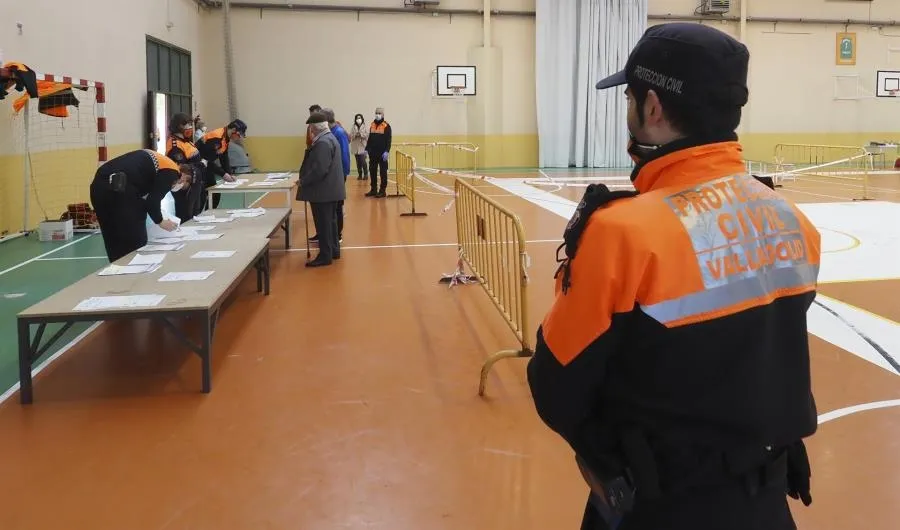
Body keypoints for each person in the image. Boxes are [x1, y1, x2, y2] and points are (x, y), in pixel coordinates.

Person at [526, 23, 821, 530]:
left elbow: (557, 384)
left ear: (654, 108)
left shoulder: (622, 233)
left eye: (630, 98)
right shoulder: (791, 219)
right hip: (767, 503)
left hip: (660, 506)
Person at [89, 149, 192, 262]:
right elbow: (152, 201)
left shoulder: (158, 163)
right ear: (183, 176)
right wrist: (161, 222)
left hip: (99, 186)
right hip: (120, 186)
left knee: (112, 237)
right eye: (184, 183)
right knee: (136, 240)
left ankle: (117, 268)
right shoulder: (172, 172)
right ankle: (135, 267)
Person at [298, 111, 346, 267]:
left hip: (323, 191)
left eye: (310, 127)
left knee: (324, 224)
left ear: (315, 127)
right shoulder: (330, 138)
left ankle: (325, 255)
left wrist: (303, 181)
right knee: (330, 222)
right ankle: (333, 250)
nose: (310, 130)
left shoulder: (323, 143)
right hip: (331, 190)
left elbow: (319, 169)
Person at [308, 108, 350, 244]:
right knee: (329, 209)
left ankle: (337, 234)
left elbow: (343, 155)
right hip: (333, 175)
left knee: (336, 207)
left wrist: (342, 173)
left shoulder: (339, 132)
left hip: (338, 174)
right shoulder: (331, 132)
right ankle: (323, 234)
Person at [196, 119, 246, 211]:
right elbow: (206, 160)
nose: (239, 138)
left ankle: (208, 214)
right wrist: (223, 174)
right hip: (198, 167)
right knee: (201, 197)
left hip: (207, 166)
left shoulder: (225, 138)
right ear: (234, 130)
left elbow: (224, 157)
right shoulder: (216, 137)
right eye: (239, 135)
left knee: (214, 193)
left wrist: (229, 174)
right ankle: (197, 217)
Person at [165, 112, 204, 223]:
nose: (190, 127)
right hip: (185, 184)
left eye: (190, 124)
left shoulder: (187, 142)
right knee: (186, 216)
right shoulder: (175, 144)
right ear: (178, 126)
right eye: (186, 125)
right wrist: (199, 165)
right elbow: (181, 167)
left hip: (196, 182)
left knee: (195, 215)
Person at [365, 106, 392, 198]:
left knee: (383, 172)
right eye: (376, 113)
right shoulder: (372, 124)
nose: (378, 115)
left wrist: (387, 151)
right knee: (372, 171)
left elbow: (389, 140)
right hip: (373, 153)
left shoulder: (386, 126)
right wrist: (366, 149)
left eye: (379, 113)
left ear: (383, 115)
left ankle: (382, 191)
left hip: (382, 154)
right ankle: (373, 189)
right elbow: (370, 138)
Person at [350, 113, 370, 181]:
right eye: (357, 118)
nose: (359, 119)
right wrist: (355, 134)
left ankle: (366, 174)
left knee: (363, 161)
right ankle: (360, 175)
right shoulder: (353, 127)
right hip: (355, 146)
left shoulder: (365, 126)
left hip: (362, 146)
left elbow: (367, 135)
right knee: (358, 162)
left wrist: (361, 134)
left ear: (362, 119)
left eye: (360, 118)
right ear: (355, 119)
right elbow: (351, 135)